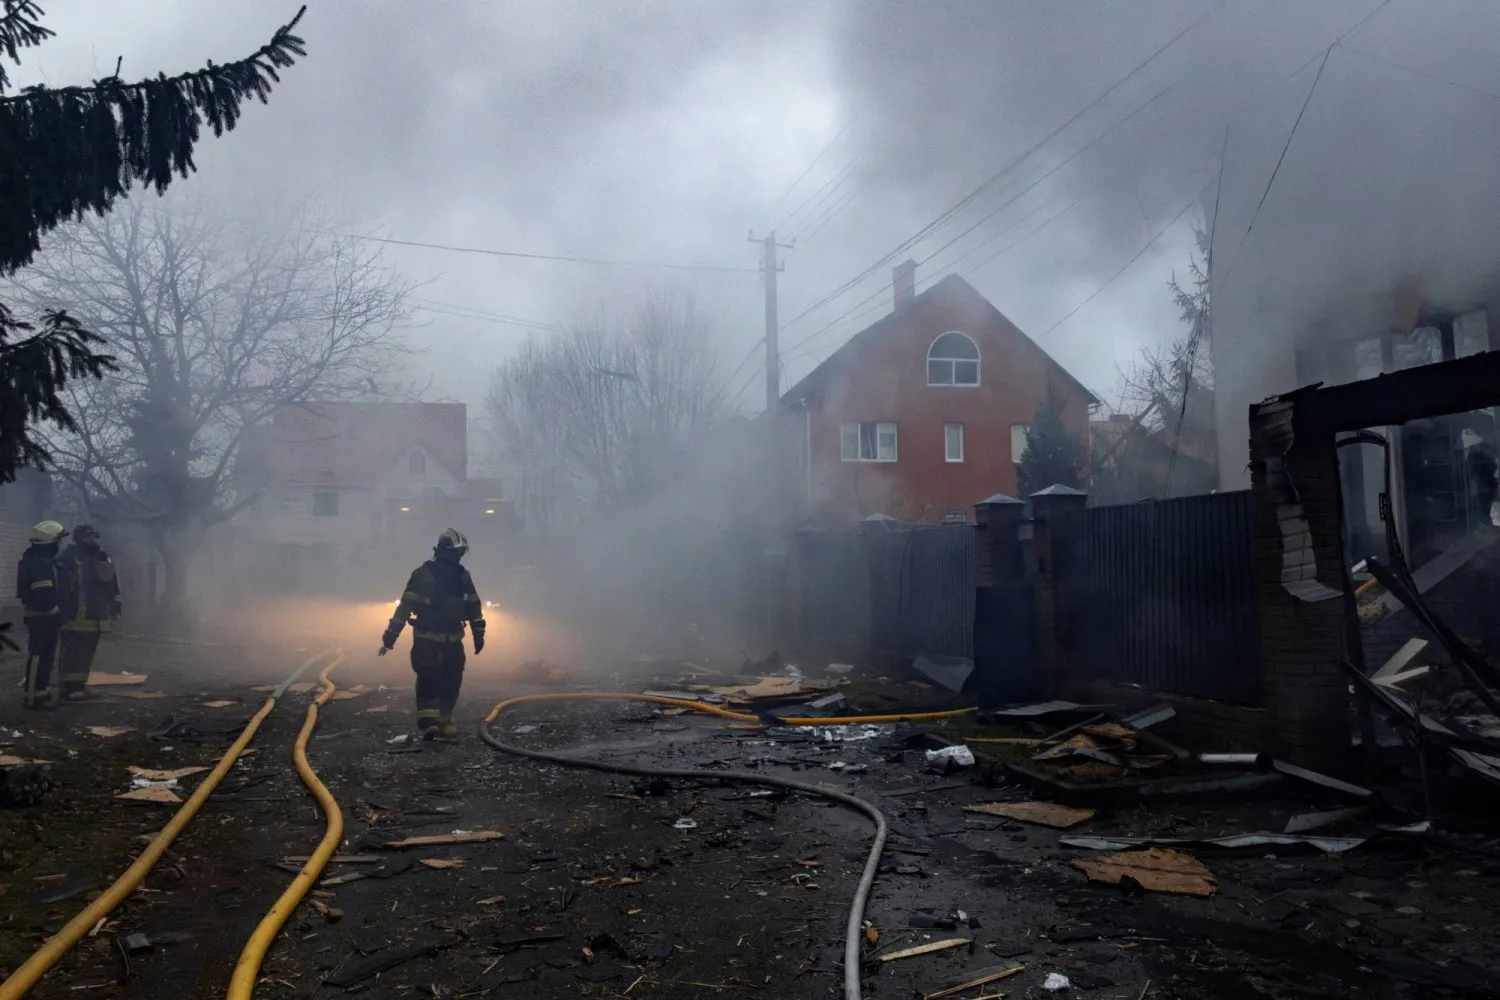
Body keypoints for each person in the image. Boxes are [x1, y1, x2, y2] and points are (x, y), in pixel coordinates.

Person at [379, 528, 485, 741]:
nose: (459, 557)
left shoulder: (463, 576)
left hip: (453, 639)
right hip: (427, 638)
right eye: (457, 552)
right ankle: (429, 723)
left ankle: (445, 721)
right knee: (429, 679)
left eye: (461, 553)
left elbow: (473, 605)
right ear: (445, 551)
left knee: (452, 680)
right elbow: (405, 606)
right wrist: (391, 636)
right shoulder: (422, 574)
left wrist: (478, 632)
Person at [55, 524, 121, 700]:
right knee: (72, 650)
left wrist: (113, 606)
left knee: (87, 649)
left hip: (95, 613)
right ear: (78, 538)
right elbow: (60, 585)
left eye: (94, 536)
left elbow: (111, 583)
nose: (92, 540)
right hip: (73, 612)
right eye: (87, 537)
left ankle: (80, 685)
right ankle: (68, 688)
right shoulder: (67, 557)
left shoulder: (101, 556)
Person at [14, 521, 67, 709]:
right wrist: (56, 612)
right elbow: (42, 596)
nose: (60, 544)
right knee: (39, 654)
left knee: (47, 654)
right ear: (51, 541)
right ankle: (33, 697)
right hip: (41, 616)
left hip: (43, 615)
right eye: (59, 540)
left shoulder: (38, 559)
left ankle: (41, 693)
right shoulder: (40, 563)